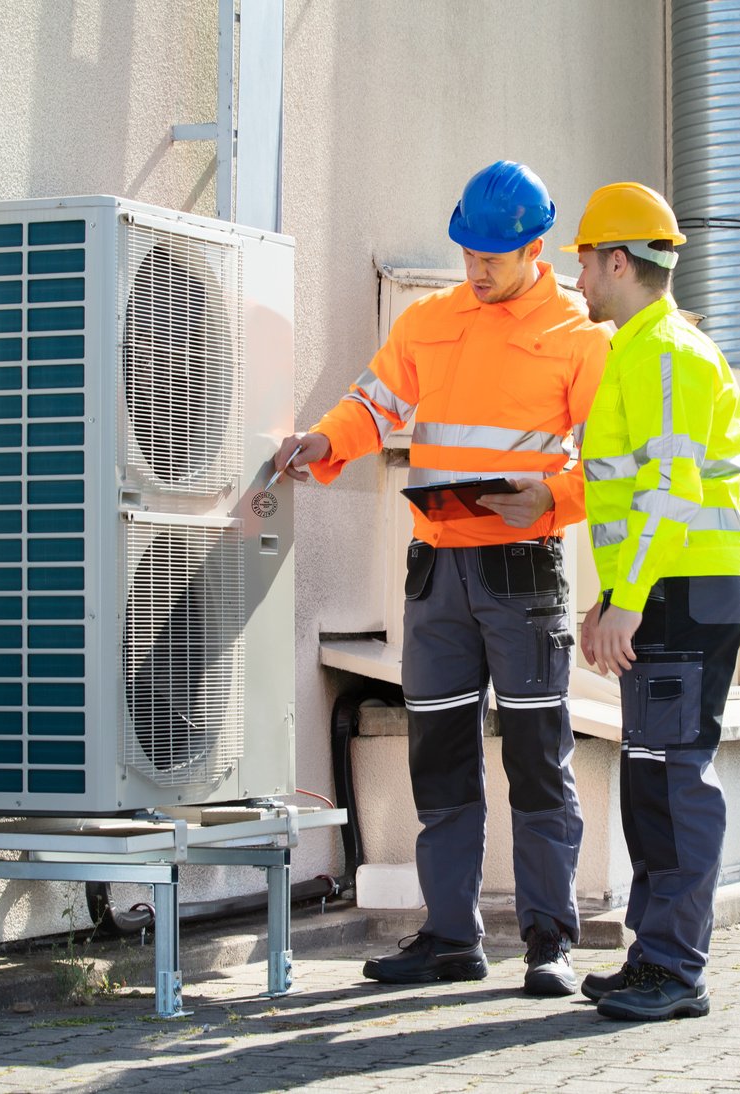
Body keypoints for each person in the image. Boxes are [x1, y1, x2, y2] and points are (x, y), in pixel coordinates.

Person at [273, 161, 608, 996]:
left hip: (522, 575)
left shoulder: (579, 335)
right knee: (441, 761)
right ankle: (451, 938)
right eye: (468, 252)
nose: (477, 268)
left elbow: (610, 468)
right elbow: (374, 403)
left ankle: (547, 944)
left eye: (494, 255)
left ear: (535, 248)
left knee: (536, 761)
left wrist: (549, 498)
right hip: (436, 579)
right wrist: (324, 443)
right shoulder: (429, 321)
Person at [566, 182, 740, 1021]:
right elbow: (632, 497)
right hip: (663, 592)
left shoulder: (666, 352)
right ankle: (653, 958)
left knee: (673, 781)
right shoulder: (641, 349)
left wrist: (627, 601)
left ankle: (675, 970)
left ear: (616, 260)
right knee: (650, 778)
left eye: (582, 260)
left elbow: (669, 493)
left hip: (680, 595)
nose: (577, 279)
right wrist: (611, 598)